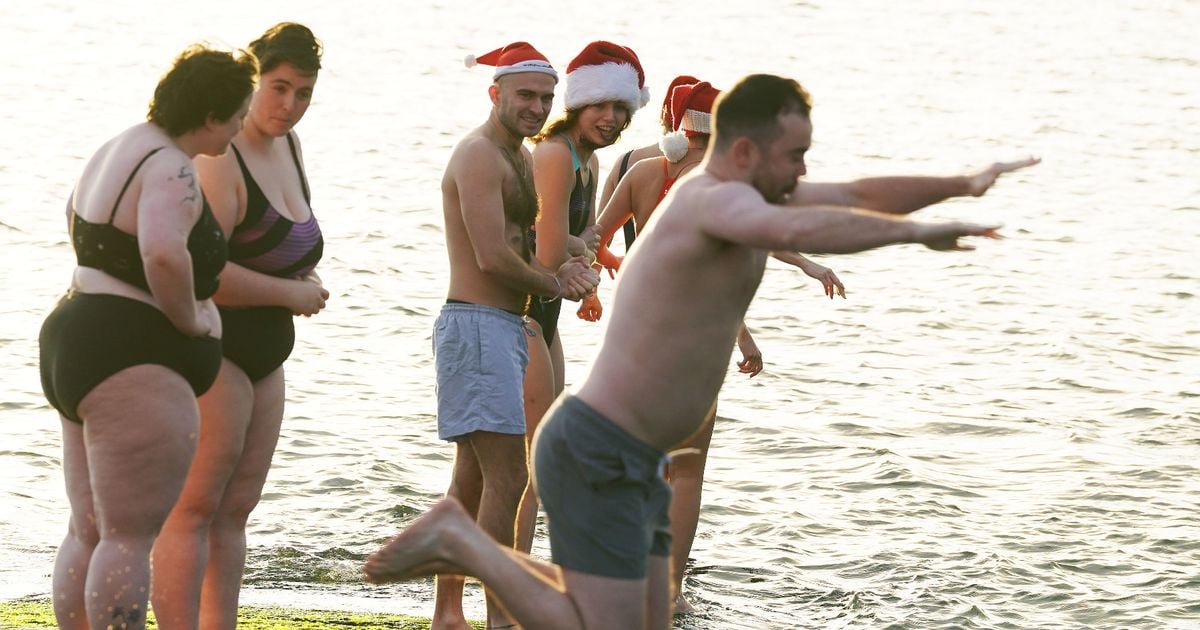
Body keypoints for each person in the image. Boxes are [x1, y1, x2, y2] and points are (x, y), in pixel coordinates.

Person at [363, 73, 1018, 630]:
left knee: (648, 621)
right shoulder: (711, 198)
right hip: (597, 448)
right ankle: (460, 542)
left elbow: (856, 195)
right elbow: (809, 225)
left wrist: (960, 183)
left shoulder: (749, 191)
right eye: (793, 156)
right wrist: (919, 233)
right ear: (742, 150)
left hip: (639, 460)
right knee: (599, 624)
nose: (803, 171)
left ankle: (470, 547)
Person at [589, 78, 845, 616]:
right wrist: (803, 270)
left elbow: (595, 241)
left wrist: (603, 278)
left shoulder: (642, 171)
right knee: (685, 470)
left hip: (635, 338)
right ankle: (671, 590)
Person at [38, 45, 255, 630]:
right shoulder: (171, 166)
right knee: (130, 535)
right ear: (210, 115)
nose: (240, 127)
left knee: (87, 527)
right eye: (237, 115)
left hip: (74, 335)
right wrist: (190, 319)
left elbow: (75, 220)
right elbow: (161, 250)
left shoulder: (118, 146)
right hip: (130, 358)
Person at [149, 23, 327, 628]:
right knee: (194, 507)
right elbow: (209, 273)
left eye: (304, 92)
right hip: (213, 345)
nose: (289, 106)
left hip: (269, 349)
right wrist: (292, 293)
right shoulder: (221, 157)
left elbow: (291, 240)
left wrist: (301, 281)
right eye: (279, 88)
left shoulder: (291, 145)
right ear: (252, 80)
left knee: (237, 509)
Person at [427, 42, 599, 630]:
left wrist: (574, 254)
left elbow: (522, 237)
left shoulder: (520, 156)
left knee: (472, 478)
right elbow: (492, 256)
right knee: (510, 478)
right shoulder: (477, 155)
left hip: (500, 327)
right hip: (474, 324)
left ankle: (449, 611)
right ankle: (500, 615)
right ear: (495, 93)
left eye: (547, 98)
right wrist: (554, 284)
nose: (536, 106)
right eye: (525, 95)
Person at [515, 41, 650, 557]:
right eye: (601, 106)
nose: (611, 118)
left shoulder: (588, 160)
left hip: (547, 316)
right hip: (520, 312)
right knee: (529, 463)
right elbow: (548, 250)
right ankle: (508, 584)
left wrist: (593, 273)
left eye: (621, 109)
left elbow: (585, 238)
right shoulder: (554, 154)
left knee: (543, 463)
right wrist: (580, 263)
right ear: (578, 104)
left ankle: (519, 575)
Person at [598, 74, 698, 252]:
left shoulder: (627, 162)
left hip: (633, 276)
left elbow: (598, 242)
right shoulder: (707, 171)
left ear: (664, 115)